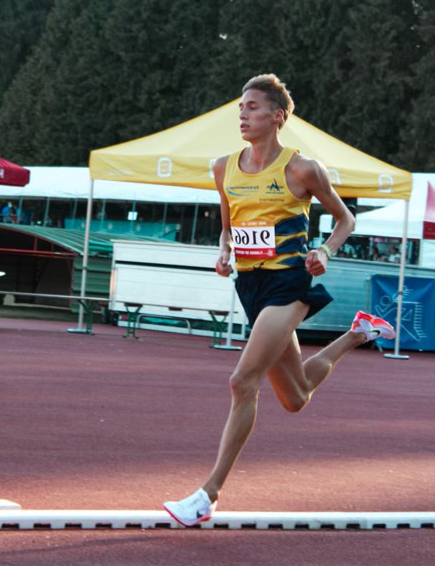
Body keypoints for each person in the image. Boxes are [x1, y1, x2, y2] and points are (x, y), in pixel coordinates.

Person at [163, 73, 396, 527]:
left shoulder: (301, 169)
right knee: (295, 397)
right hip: (250, 288)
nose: (242, 115)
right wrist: (224, 252)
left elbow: (346, 218)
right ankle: (358, 333)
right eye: (240, 108)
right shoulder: (222, 167)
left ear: (277, 116)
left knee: (241, 381)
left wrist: (324, 251)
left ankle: (208, 494)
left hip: (290, 285)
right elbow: (229, 226)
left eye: (251, 107)